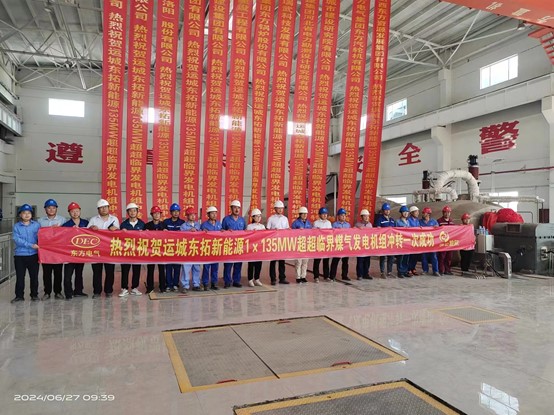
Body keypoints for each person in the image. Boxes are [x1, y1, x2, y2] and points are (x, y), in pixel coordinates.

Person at [88, 198, 119, 298]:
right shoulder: (93, 220)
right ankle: (97, 291)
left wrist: (116, 229)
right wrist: (91, 228)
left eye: (105, 207)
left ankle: (108, 290)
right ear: (98, 209)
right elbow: (86, 232)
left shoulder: (114, 219)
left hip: (110, 249)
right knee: (97, 272)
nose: (104, 209)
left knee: (110, 271)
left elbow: (119, 234)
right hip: (96, 250)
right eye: (101, 207)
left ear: (109, 208)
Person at [37, 198, 66, 299]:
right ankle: (47, 292)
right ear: (45, 209)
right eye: (49, 208)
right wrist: (50, 230)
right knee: (46, 273)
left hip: (58, 251)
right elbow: (38, 234)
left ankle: (58, 292)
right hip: (46, 252)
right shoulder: (40, 221)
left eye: (53, 208)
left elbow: (66, 234)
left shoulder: (62, 220)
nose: (51, 210)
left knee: (58, 273)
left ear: (56, 209)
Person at [11, 204, 40, 303]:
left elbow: (42, 236)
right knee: (20, 277)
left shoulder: (36, 225)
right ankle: (19, 296)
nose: (27, 215)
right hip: (20, 255)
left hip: (34, 255)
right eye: (24, 213)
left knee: (34, 277)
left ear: (31, 214)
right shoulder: (16, 226)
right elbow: (17, 240)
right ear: (20, 215)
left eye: (29, 213)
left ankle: (34, 295)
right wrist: (30, 245)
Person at [62, 202, 89, 299]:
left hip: (81, 253)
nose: (75, 213)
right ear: (69, 213)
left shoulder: (86, 223)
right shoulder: (66, 225)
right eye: (72, 211)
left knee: (79, 273)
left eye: (77, 211)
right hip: (69, 254)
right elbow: (62, 238)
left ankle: (78, 291)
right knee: (68, 274)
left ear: (80, 211)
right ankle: (68, 293)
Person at [119, 203, 145, 297]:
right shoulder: (123, 224)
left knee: (136, 269)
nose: (132, 212)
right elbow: (119, 238)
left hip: (137, 251)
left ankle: (135, 288)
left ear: (137, 212)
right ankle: (124, 288)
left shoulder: (142, 224)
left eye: (134, 210)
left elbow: (146, 237)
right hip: (126, 251)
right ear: (127, 212)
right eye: (130, 211)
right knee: (125, 270)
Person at [221, 200, 247, 288]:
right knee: (228, 264)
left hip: (239, 245)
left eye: (238, 208)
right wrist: (226, 231)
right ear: (231, 208)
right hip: (229, 245)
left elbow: (245, 231)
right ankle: (227, 281)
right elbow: (221, 231)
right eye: (235, 207)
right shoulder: (226, 219)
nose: (237, 209)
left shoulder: (242, 220)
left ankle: (236, 281)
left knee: (238, 264)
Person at [266, 200, 290, 285]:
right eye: (278, 208)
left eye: (281, 208)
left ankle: (282, 278)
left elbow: (287, 229)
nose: (280, 210)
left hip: (282, 243)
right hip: (274, 243)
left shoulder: (285, 219)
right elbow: (267, 230)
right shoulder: (271, 218)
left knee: (282, 262)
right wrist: (273, 231)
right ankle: (273, 279)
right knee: (273, 262)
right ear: (275, 209)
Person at [163, 203, 185, 291]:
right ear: (170, 212)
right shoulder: (166, 222)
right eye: (174, 211)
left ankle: (175, 284)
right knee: (168, 267)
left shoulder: (182, 223)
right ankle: (168, 284)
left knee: (177, 267)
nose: (176, 213)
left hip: (178, 248)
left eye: (177, 211)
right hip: (168, 248)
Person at [145, 205, 166, 294]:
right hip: (151, 251)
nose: (157, 215)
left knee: (162, 270)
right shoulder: (147, 225)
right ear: (151, 215)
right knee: (150, 270)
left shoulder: (164, 225)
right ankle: (150, 288)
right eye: (155, 213)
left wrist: (167, 232)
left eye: (158, 213)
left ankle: (163, 287)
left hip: (161, 251)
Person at [200, 206, 222, 290]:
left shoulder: (219, 224)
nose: (214, 215)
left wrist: (223, 231)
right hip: (207, 248)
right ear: (208, 215)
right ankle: (205, 283)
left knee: (215, 267)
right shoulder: (204, 225)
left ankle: (214, 283)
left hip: (216, 248)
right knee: (206, 267)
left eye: (215, 213)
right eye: (212, 213)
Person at [180, 207, 202, 292]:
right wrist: (189, 231)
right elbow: (181, 237)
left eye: (194, 214)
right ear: (187, 216)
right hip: (187, 250)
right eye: (191, 215)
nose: (193, 216)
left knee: (196, 268)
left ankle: (196, 284)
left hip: (196, 249)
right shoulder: (183, 226)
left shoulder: (198, 225)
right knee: (186, 268)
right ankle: (185, 285)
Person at [290, 206, 311, 284]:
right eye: (303, 214)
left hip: (306, 244)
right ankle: (298, 277)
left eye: (306, 214)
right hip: (298, 244)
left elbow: (311, 232)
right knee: (298, 262)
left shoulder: (308, 223)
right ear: (300, 214)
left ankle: (303, 276)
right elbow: (291, 233)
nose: (305, 215)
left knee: (305, 262)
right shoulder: (295, 223)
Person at [375, 202, 395, 278]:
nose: (387, 211)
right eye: (386, 210)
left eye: (388, 210)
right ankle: (382, 272)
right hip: (383, 241)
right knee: (383, 257)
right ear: (383, 211)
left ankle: (389, 272)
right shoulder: (380, 219)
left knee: (391, 257)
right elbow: (378, 229)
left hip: (391, 241)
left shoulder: (392, 220)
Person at [330, 208, 351, 281]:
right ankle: (332, 276)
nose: (343, 216)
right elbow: (331, 234)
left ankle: (344, 275)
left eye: (344, 215)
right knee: (335, 261)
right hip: (338, 245)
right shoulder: (334, 224)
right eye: (341, 215)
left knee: (345, 262)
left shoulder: (348, 225)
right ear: (338, 216)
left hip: (345, 245)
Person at [419, 207, 441, 277]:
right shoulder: (420, 222)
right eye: (423, 213)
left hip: (432, 242)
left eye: (424, 213)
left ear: (428, 214)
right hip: (423, 241)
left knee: (434, 256)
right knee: (424, 256)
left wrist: (436, 227)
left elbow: (439, 230)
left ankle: (435, 271)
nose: (423, 214)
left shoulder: (434, 221)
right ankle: (425, 270)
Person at [246, 208, 265, 287]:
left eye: (259, 216)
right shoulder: (249, 226)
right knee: (251, 264)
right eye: (256, 216)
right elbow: (247, 237)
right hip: (252, 248)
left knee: (259, 264)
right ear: (253, 217)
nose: (258, 218)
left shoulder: (262, 226)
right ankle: (250, 279)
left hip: (259, 248)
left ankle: (257, 279)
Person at [313, 207, 332, 282]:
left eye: (326, 214)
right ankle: (316, 276)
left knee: (326, 261)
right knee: (317, 261)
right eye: (323, 214)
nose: (324, 215)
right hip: (319, 244)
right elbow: (313, 233)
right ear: (319, 215)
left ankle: (326, 276)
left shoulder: (329, 223)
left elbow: (331, 233)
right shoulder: (316, 223)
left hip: (326, 244)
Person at [355, 209, 373, 280]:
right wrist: (357, 229)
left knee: (367, 260)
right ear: (361, 217)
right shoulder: (358, 224)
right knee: (360, 260)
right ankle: (359, 275)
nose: (366, 217)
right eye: (365, 216)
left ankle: (366, 274)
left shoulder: (370, 225)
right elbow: (353, 232)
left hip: (367, 245)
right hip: (360, 245)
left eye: (367, 216)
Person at [395, 205, 411, 278]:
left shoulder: (408, 222)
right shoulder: (397, 222)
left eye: (407, 212)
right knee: (400, 257)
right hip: (401, 242)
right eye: (404, 212)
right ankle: (400, 272)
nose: (406, 213)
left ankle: (405, 271)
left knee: (406, 257)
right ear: (401, 213)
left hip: (407, 242)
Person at [438, 205, 454, 275]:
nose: (447, 214)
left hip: (449, 243)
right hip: (442, 242)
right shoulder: (439, 221)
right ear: (443, 213)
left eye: (448, 212)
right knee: (441, 257)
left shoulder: (451, 221)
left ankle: (447, 270)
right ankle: (441, 270)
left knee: (449, 257)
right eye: (445, 212)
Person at [407, 206, 421, 276]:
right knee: (410, 256)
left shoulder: (417, 220)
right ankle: (408, 269)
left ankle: (413, 268)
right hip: (410, 240)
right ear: (412, 213)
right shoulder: (408, 220)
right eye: (416, 211)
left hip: (416, 240)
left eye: (418, 211)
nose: (418, 213)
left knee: (415, 255)